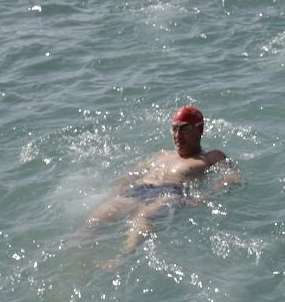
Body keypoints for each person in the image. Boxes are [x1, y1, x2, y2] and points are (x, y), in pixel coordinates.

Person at [84, 105, 235, 267]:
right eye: (174, 129)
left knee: (143, 216)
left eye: (185, 129)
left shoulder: (211, 157)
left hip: (170, 192)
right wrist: (117, 190)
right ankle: (78, 260)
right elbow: (131, 174)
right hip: (139, 189)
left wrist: (206, 195)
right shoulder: (161, 155)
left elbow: (232, 178)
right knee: (94, 222)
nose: (177, 135)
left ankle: (124, 257)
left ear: (199, 129)